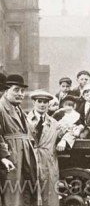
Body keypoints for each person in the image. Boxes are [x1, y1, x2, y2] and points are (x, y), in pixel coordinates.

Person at [0, 74, 38, 206]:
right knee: (12, 194)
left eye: (22, 91)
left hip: (24, 155)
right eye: (16, 90)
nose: (20, 94)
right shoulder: (1, 108)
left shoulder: (18, 109)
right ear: (6, 90)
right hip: (11, 157)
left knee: (25, 191)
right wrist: (3, 156)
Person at [27, 90, 60, 206]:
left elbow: (70, 131)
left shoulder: (54, 123)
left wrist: (65, 140)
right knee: (30, 194)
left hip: (48, 163)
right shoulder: (25, 121)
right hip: (30, 162)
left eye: (45, 102)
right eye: (39, 101)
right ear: (34, 103)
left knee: (49, 197)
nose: (42, 105)